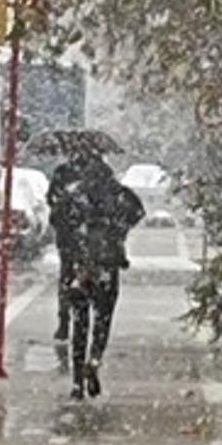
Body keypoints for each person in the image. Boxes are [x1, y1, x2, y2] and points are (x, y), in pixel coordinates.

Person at [45, 148, 143, 399]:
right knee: (103, 319)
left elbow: (55, 217)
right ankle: (95, 359)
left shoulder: (75, 195)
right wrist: (118, 233)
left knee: (80, 321)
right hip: (108, 265)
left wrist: (71, 244)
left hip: (81, 265)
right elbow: (138, 211)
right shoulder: (118, 193)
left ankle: (77, 380)